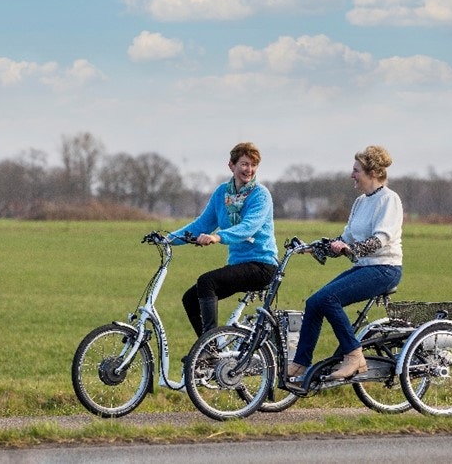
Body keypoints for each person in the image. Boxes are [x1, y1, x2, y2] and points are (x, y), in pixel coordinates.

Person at [288, 145, 403, 381]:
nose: (352, 175)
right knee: (314, 302)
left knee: (330, 299)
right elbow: (345, 239)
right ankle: (300, 364)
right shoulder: (361, 202)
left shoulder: (389, 200)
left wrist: (353, 249)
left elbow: (382, 238)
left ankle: (353, 355)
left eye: (356, 170)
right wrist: (313, 248)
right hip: (364, 267)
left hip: (384, 269)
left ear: (372, 173)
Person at [168, 142, 278, 337]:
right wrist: (169, 239)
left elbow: (248, 227)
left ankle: (208, 346)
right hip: (238, 263)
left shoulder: (260, 195)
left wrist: (218, 236)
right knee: (190, 298)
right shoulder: (222, 193)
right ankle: (208, 351)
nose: (249, 170)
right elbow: (201, 225)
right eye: (244, 164)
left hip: (262, 265)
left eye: (253, 165)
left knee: (207, 282)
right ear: (231, 166)